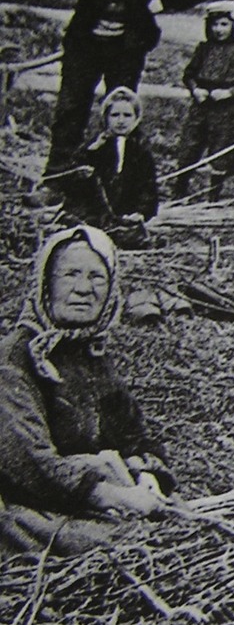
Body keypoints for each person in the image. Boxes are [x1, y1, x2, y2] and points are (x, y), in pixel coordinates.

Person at [0, 226, 173, 557]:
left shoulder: (89, 356)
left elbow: (135, 435)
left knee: (170, 525)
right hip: (26, 506)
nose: (83, 289)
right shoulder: (14, 360)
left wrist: (147, 473)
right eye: (70, 274)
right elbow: (30, 467)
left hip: (81, 499)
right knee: (132, 547)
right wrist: (113, 495)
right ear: (46, 285)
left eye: (97, 278)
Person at [41, 0, 218, 183]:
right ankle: (57, 174)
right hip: (85, 39)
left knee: (122, 110)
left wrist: (163, 3)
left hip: (128, 44)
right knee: (71, 107)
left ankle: (116, 177)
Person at [176, 3, 234, 200]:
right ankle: (180, 191)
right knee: (190, 145)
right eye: (215, 25)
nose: (219, 30)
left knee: (221, 150)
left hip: (227, 108)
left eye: (224, 24)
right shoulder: (204, 48)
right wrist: (195, 89)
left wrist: (229, 92)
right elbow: (189, 74)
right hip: (202, 104)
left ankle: (213, 195)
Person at [54, 88, 160, 247]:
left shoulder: (141, 151)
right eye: (115, 115)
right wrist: (89, 154)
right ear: (106, 117)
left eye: (127, 115)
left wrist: (141, 213)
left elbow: (148, 188)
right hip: (94, 213)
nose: (121, 121)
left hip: (124, 214)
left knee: (131, 235)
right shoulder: (95, 147)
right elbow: (74, 185)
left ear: (136, 118)